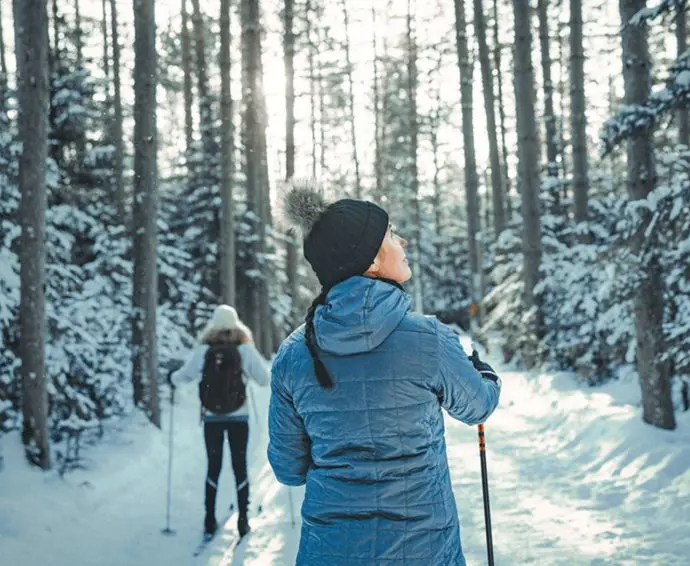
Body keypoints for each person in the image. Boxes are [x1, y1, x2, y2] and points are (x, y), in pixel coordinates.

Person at [268, 181, 502, 565]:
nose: (403, 242)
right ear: (372, 261)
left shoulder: (294, 355)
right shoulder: (428, 339)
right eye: (392, 235)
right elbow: (476, 407)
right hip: (423, 552)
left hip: (330, 552)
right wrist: (485, 374)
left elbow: (289, 469)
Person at [173, 304, 270, 540]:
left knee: (213, 466)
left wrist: (170, 377)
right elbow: (265, 379)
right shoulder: (244, 350)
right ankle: (243, 520)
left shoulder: (204, 350)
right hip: (240, 417)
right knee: (239, 466)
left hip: (212, 418)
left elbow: (183, 376)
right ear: (236, 324)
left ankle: (209, 519)